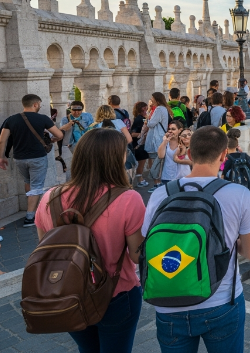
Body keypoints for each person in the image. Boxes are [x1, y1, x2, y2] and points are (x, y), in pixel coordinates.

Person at [143, 126, 250, 353]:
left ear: (188, 154)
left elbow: (145, 245)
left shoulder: (160, 194)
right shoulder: (239, 194)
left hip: (168, 302)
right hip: (221, 301)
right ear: (223, 156)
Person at [34, 128, 144, 352]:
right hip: (117, 293)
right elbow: (137, 255)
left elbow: (44, 248)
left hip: (67, 292)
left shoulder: (49, 197)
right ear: (116, 158)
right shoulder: (128, 198)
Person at [0, 94, 63, 227]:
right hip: (37, 157)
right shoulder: (43, 118)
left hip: (19, 158)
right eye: (39, 104)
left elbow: (2, 140)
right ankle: (29, 217)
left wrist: (2, 157)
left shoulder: (11, 119)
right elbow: (59, 134)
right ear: (35, 104)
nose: (40, 106)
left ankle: (31, 209)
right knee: (37, 185)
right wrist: (52, 139)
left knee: (28, 181)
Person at [144, 92, 170, 189]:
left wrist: (147, 119)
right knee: (158, 161)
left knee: (156, 161)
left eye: (152, 98)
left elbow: (151, 124)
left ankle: (157, 183)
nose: (151, 100)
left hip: (156, 138)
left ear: (157, 99)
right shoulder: (164, 108)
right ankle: (158, 182)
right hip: (160, 136)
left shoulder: (159, 109)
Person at [155, 120, 189, 191]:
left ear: (180, 130)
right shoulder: (166, 142)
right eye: (169, 129)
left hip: (181, 177)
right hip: (167, 176)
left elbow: (182, 156)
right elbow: (161, 156)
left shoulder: (184, 142)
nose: (170, 131)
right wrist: (165, 141)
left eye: (173, 129)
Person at [129, 101, 150, 187]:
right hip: (138, 145)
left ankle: (138, 179)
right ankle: (140, 180)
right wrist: (143, 134)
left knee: (140, 163)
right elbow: (133, 133)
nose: (146, 110)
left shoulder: (140, 118)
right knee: (140, 163)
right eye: (144, 108)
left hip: (140, 144)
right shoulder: (139, 119)